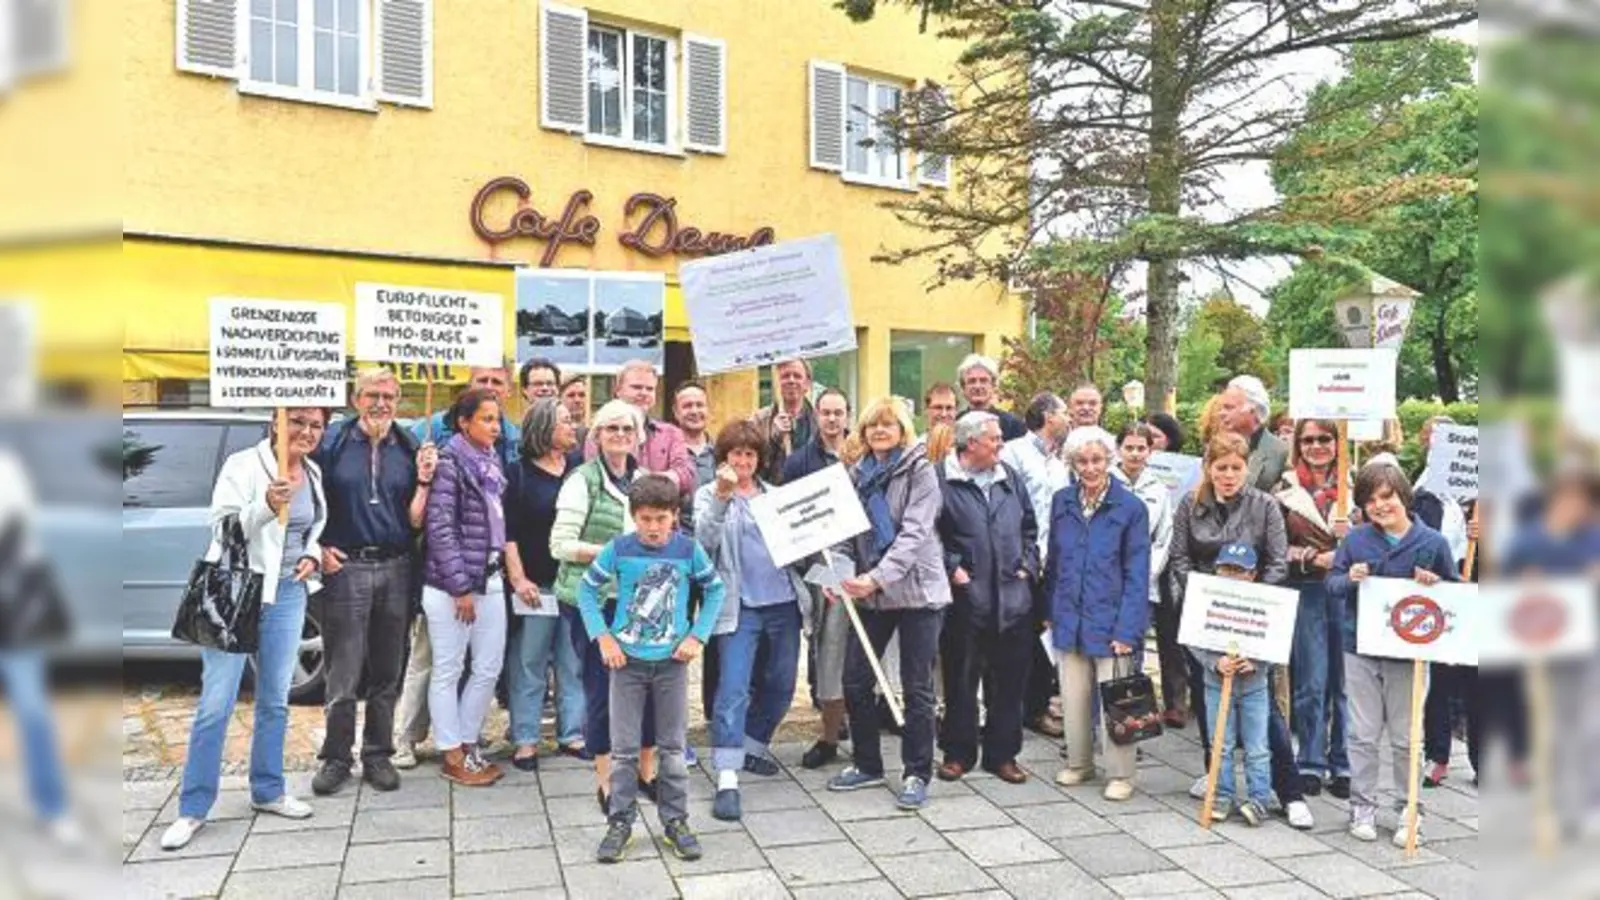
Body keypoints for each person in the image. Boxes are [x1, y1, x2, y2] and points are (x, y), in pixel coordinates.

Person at [161, 407, 330, 850]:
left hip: (290, 592)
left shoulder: (311, 471)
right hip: (238, 593)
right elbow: (221, 526)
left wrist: (313, 555)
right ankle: (193, 809)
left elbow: (312, 529)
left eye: (316, 425)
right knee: (217, 703)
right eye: (297, 420)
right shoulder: (244, 464)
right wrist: (265, 506)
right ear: (277, 422)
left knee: (275, 697)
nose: (306, 431)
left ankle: (269, 790)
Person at [580, 476, 726, 864]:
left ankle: (676, 821)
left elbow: (715, 590)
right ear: (634, 517)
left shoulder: (688, 550)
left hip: (672, 664)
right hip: (626, 664)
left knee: (673, 749)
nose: (653, 527)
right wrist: (603, 637)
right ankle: (620, 821)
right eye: (645, 519)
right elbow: (585, 591)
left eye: (661, 518)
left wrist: (698, 635)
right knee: (624, 751)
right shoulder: (618, 550)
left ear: (675, 516)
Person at [311, 368, 435, 797]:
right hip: (346, 567)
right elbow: (308, 498)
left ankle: (378, 753)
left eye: (389, 395)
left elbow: (417, 518)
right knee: (343, 669)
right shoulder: (331, 442)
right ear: (355, 397)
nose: (381, 403)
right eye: (372, 395)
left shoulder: (410, 445)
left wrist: (424, 480)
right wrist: (318, 546)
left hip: (397, 565)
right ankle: (336, 757)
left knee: (388, 668)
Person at [825, 398, 950, 811]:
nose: (880, 431)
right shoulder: (855, 473)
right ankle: (867, 763)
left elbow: (915, 535)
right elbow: (845, 532)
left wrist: (875, 578)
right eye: (872, 426)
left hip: (916, 592)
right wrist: (836, 576)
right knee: (856, 679)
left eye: (888, 424)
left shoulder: (921, 470)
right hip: (870, 592)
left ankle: (917, 772)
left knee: (916, 687)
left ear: (902, 429)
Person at [1326, 461, 1457, 847]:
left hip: (1409, 656)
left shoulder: (1433, 543)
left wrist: (1437, 584)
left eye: (1387, 497)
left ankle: (1409, 806)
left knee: (1406, 737)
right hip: (1360, 648)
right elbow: (1332, 584)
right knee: (1363, 734)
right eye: (1370, 501)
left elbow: (1455, 593)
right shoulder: (1356, 540)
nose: (1380, 506)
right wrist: (1348, 579)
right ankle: (1362, 804)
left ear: (1403, 496)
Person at [694, 421, 813, 820]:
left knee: (781, 684)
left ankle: (751, 746)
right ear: (723, 458)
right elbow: (702, 545)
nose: (743, 461)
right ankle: (728, 776)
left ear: (759, 459)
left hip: (783, 602)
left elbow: (801, 546)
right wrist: (722, 500)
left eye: (750, 455)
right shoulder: (707, 496)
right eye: (735, 454)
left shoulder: (777, 497)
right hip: (738, 607)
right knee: (733, 687)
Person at [1171, 432, 1288, 799]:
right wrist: (1205, 595)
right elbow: (1179, 557)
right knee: (1208, 693)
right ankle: (1216, 776)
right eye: (1221, 468)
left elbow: (1278, 561)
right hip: (1205, 609)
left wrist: (1248, 598)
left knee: (1260, 700)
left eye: (1236, 468)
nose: (1228, 475)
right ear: (1208, 468)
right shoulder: (1190, 505)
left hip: (1252, 609)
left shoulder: (1264, 505)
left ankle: (1285, 785)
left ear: (1247, 467)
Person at [554, 399, 658, 808]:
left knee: (649, 687)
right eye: (611, 428)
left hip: (641, 602)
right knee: (601, 690)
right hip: (593, 601)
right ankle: (606, 782)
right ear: (595, 436)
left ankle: (646, 774)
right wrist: (614, 553)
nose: (619, 436)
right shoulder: (582, 480)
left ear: (637, 437)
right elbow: (559, 544)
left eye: (627, 429)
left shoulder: (646, 480)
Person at [1044, 426, 1150, 801]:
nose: (1089, 468)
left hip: (1112, 617)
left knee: (1118, 698)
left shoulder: (1131, 508)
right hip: (1069, 613)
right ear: (1071, 464)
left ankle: (1121, 773)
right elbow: (1054, 560)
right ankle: (1079, 762)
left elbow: (1138, 573)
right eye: (1081, 461)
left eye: (1097, 460)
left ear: (1110, 461)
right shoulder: (1062, 501)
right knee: (1073, 695)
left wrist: (1128, 629)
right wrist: (1049, 609)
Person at [935, 413, 1039, 784]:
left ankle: (1003, 755)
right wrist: (951, 566)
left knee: (1009, 682)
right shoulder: (939, 479)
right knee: (961, 678)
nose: (1000, 444)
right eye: (993, 439)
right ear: (970, 444)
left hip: (1014, 598)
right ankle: (958, 752)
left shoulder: (1008, 476)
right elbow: (928, 533)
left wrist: (1028, 564)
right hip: (965, 599)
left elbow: (1029, 527)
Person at [421, 389, 510, 787]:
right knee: (449, 667)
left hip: (490, 577)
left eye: (497, 419)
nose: (494, 426)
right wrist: (459, 587)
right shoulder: (449, 463)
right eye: (486, 419)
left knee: (489, 665)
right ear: (464, 422)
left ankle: (469, 741)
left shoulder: (491, 461)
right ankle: (450, 751)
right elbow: (439, 528)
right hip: (451, 586)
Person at [502, 399, 588, 771]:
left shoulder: (580, 470)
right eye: (565, 421)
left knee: (573, 663)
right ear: (544, 429)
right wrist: (518, 578)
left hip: (572, 584)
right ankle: (525, 739)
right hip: (535, 586)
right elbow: (508, 533)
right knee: (529, 663)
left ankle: (572, 734)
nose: (573, 426)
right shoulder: (517, 474)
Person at [1273, 417, 1352, 800]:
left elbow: (1389, 531)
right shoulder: (1284, 489)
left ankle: (1344, 761)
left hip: (1352, 592)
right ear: (1298, 445)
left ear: (1339, 441)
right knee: (1311, 681)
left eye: (1325, 438)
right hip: (1306, 588)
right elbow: (1273, 545)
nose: (1317, 446)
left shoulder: (1361, 487)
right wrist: (1311, 557)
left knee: (1347, 682)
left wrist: (1352, 542)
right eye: (1308, 439)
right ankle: (1310, 760)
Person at [782, 387, 853, 767]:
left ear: (847, 416)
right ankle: (828, 736)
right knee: (829, 655)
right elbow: (790, 522)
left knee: (862, 658)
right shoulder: (798, 462)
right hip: (821, 569)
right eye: (825, 412)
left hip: (865, 568)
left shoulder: (861, 458)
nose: (831, 419)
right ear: (817, 416)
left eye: (838, 412)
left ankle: (866, 728)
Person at [1192, 542, 1277, 826]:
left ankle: (1259, 798)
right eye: (1226, 569)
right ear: (1216, 570)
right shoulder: (1205, 601)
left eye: (1239, 571)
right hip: (1216, 683)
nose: (1231, 576)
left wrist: (1258, 663)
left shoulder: (1266, 603)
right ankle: (1222, 794)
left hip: (1254, 686)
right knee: (1221, 742)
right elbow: (1194, 640)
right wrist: (1213, 663)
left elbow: (1277, 643)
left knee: (1257, 746)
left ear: (1252, 575)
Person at [1112, 424, 1175, 720]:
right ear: (1118, 449)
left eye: (1141, 448)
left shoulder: (1159, 490)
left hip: (1141, 585)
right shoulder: (1104, 482)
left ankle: (1131, 728)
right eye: (1129, 447)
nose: (1135, 454)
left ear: (1150, 452)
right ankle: (1093, 728)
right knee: (1100, 656)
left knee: (1133, 657)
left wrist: (1144, 575)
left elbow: (1163, 538)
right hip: (1106, 583)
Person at [585, 360, 697, 497]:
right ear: (618, 390)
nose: (644, 393)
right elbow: (594, 474)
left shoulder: (672, 434)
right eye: (637, 387)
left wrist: (647, 481)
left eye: (650, 389)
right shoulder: (601, 430)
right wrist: (662, 481)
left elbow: (686, 476)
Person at [412, 366, 523, 469]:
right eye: (482, 380)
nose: (489, 387)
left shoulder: (516, 440)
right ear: (470, 385)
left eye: (496, 382)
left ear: (509, 391)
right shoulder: (433, 427)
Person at [1217, 377, 1289, 492]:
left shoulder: (1282, 453)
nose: (1221, 413)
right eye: (1221, 408)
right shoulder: (1215, 448)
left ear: (1252, 411)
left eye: (1228, 408)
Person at [751, 358, 816, 483]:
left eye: (797, 376)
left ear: (807, 384)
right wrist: (774, 438)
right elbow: (752, 465)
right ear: (777, 382)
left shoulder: (819, 420)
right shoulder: (759, 420)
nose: (791, 380)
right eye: (786, 376)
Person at [954, 354, 1026, 440]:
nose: (977, 386)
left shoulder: (1012, 425)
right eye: (972, 381)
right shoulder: (955, 424)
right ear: (963, 388)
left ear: (994, 385)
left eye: (983, 381)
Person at [562, 374, 591, 448]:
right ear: (559, 398)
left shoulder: (592, 435)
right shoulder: (552, 436)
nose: (577, 400)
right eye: (571, 395)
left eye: (582, 395)